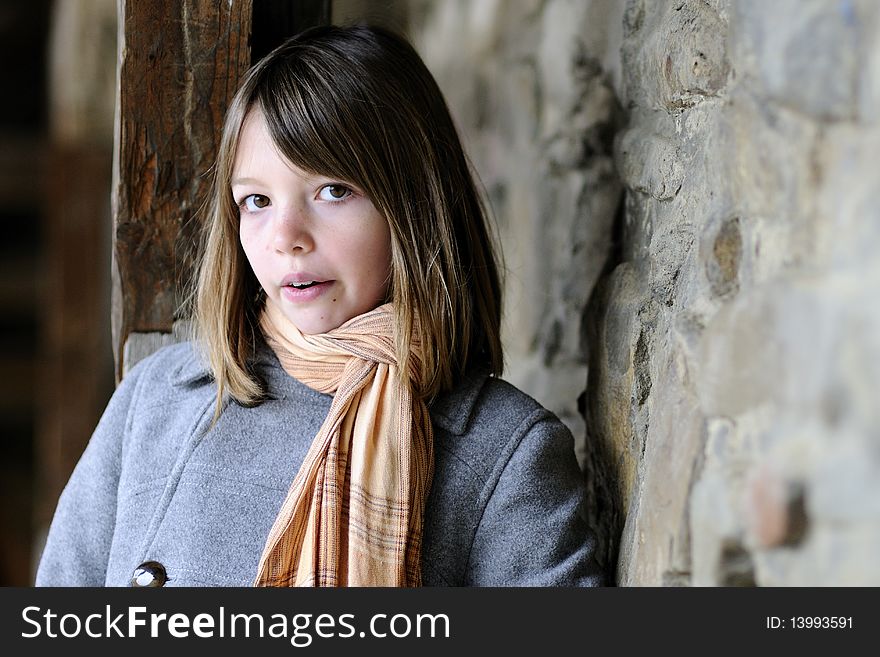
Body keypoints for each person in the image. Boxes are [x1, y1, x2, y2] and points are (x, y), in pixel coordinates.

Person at [36, 25, 603, 587]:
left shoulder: (506, 453)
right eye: (256, 200)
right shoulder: (157, 402)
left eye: (333, 190)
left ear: (413, 205)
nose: (286, 236)